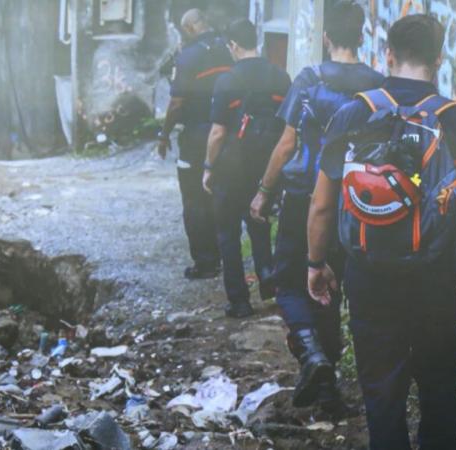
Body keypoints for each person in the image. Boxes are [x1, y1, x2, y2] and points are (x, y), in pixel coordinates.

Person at [307, 14, 456, 450]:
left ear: (388, 55)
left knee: (381, 389)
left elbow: (322, 203)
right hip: (434, 276)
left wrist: (315, 263)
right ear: (439, 59)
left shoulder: (353, 112)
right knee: (439, 381)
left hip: (368, 274)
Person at [249, 1, 383, 412]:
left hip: (303, 197)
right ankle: (328, 391)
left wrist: (263, 190)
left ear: (327, 37)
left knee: (290, 282)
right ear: (362, 35)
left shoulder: (309, 80)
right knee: (329, 288)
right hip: (354, 203)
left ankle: (311, 353)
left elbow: (287, 143)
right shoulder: (377, 86)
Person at [203, 19, 291, 318]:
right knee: (260, 220)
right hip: (268, 165)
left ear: (233, 45)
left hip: (232, 167)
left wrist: (208, 167)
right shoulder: (281, 77)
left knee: (228, 233)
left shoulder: (227, 80)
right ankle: (268, 278)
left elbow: (217, 133)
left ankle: (239, 301)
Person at [157, 9, 232, 280]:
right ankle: (225, 256)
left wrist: (164, 135)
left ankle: (205, 262)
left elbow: (177, 103)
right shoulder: (227, 48)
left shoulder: (188, 57)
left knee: (193, 198)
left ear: (188, 29)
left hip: (197, 136)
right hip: (227, 134)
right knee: (219, 194)